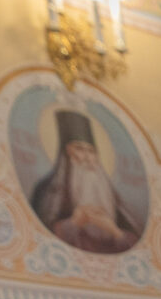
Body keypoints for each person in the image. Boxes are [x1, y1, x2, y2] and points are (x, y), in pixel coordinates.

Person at [25, 108, 141, 254]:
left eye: (91, 151)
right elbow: (36, 238)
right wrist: (74, 223)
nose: (87, 157)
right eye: (79, 149)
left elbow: (136, 244)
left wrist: (114, 230)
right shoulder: (48, 190)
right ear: (67, 152)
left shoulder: (112, 196)